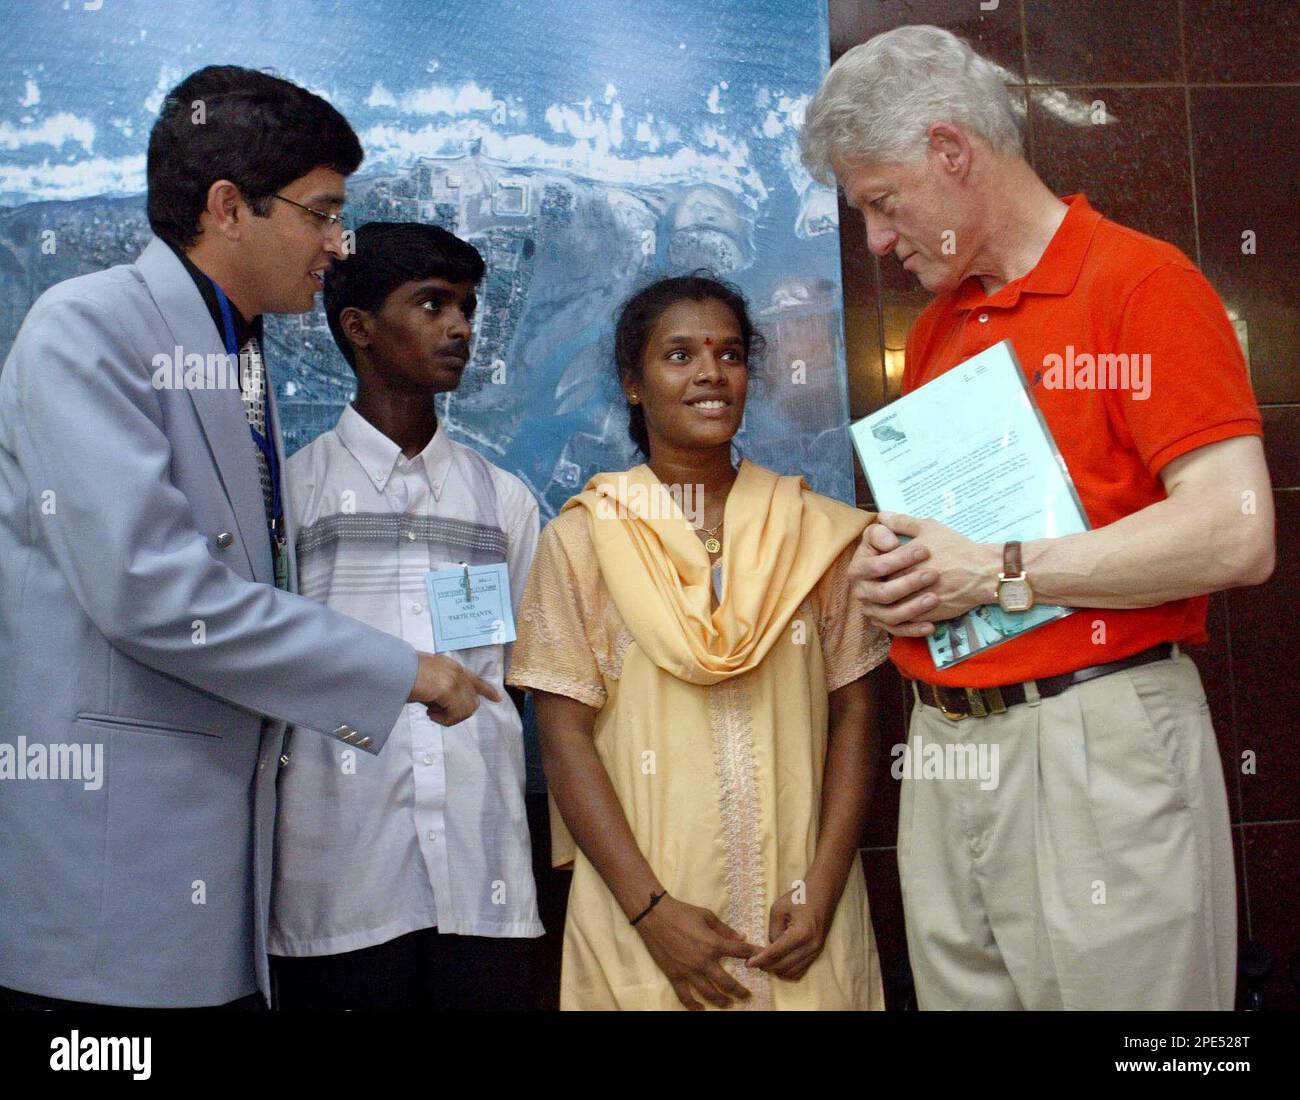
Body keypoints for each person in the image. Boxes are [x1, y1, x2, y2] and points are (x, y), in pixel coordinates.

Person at [801, 25, 1275, 1010]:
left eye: (882, 205)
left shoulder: (1140, 283)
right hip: (945, 738)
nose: (877, 240)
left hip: (1093, 738)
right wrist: (906, 575)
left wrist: (999, 569)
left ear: (951, 150)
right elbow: (962, 549)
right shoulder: (936, 328)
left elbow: (1236, 531)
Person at [0, 67, 495, 1010]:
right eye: (321, 213)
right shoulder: (88, 328)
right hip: (106, 907)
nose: (337, 244)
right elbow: (159, 596)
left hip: (214, 901)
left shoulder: (237, 353)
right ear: (230, 209)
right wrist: (407, 674)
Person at [508, 275, 891, 1010]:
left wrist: (822, 886)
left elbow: (857, 716)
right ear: (633, 383)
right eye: (679, 356)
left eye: (730, 354)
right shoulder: (584, 539)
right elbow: (563, 738)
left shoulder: (817, 532)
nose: (711, 373)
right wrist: (653, 913)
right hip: (648, 912)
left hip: (801, 914)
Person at [269, 222, 543, 1009]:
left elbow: (513, 680)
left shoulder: (503, 502)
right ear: (358, 327)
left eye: (466, 306)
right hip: (339, 889)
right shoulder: (293, 498)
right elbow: (268, 668)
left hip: (483, 885)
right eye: (431, 304)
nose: (459, 327)